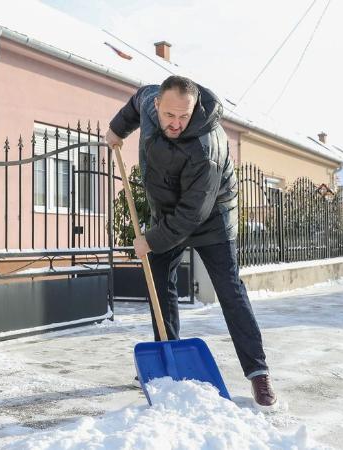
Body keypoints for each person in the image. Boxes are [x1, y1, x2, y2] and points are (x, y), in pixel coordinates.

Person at [106, 75, 276, 407]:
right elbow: (135, 101)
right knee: (159, 280)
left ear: (194, 108)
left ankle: (258, 372)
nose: (177, 123)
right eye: (170, 116)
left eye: (184, 116)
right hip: (168, 210)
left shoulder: (206, 144)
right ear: (157, 106)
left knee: (229, 290)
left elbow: (192, 214)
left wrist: (150, 240)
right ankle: (168, 358)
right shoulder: (149, 101)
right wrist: (116, 130)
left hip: (210, 215)